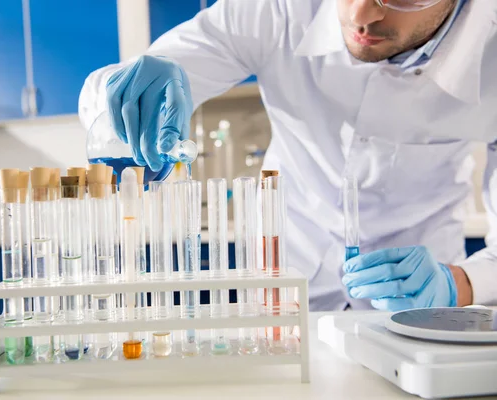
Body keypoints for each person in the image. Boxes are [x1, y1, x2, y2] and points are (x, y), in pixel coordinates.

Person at [79, 0, 497, 311]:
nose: (360, 14)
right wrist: (127, 95)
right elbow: (117, 85)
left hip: (417, 303)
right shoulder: (280, 8)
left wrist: (457, 282)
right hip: (284, 292)